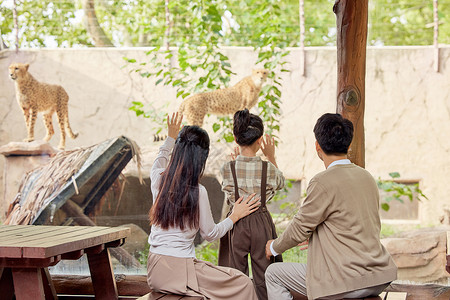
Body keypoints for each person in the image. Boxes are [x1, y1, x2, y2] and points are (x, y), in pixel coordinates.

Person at [264, 113, 397, 300]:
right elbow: (353, 225)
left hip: (347, 279)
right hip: (379, 276)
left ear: (317, 146)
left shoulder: (322, 181)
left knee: (274, 274)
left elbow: (300, 227)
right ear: (348, 145)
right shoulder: (367, 177)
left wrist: (274, 247)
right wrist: (319, 241)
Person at [147, 112, 260, 300]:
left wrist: (170, 137)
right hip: (180, 271)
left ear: (177, 150)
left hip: (155, 271)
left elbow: (160, 157)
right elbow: (210, 234)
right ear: (201, 159)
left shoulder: (157, 178)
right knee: (243, 283)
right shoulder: (197, 191)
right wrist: (235, 216)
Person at [218, 109, 285, 300]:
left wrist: (234, 165)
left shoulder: (227, 168)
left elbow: (228, 190)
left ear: (235, 137)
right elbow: (279, 182)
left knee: (234, 274)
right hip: (260, 221)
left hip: (236, 221)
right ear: (260, 140)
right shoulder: (268, 168)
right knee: (266, 274)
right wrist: (271, 156)